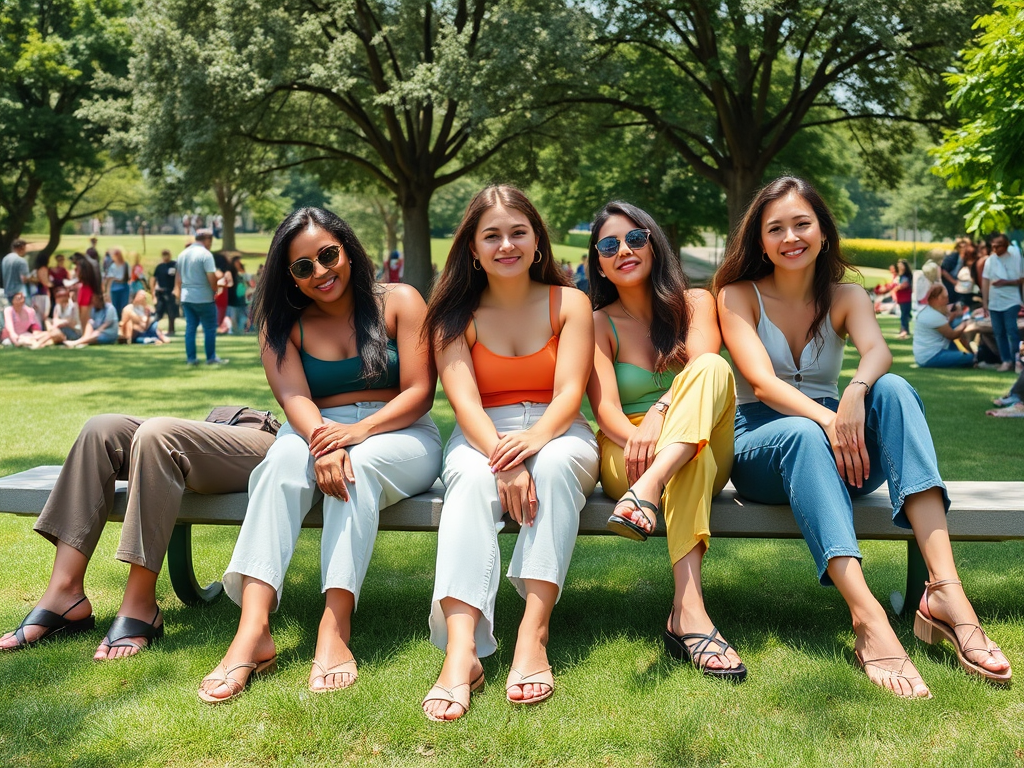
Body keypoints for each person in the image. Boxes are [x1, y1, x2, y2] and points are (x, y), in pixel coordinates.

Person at [714, 175, 1011, 698]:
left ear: (823, 232)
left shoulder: (846, 295)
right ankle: (867, 615)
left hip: (842, 449)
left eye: (802, 223)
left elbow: (877, 352)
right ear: (759, 240)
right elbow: (759, 381)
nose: (790, 237)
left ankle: (945, 590)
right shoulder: (737, 295)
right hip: (763, 441)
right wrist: (829, 421)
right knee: (804, 433)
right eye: (775, 228)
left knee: (893, 390)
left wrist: (853, 392)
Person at [198, 207, 442, 703]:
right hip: (313, 427)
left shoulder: (399, 300)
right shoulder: (282, 322)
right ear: (289, 276)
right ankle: (253, 629)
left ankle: (335, 625)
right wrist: (321, 439)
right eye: (303, 267)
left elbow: (420, 390)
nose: (320, 272)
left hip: (400, 430)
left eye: (328, 255)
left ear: (348, 251)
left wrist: (355, 434)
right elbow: (293, 398)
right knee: (280, 465)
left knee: (360, 468)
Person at [420, 185, 599, 721]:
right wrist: (506, 456)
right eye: (491, 235)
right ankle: (460, 652)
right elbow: (465, 402)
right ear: (472, 249)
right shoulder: (453, 313)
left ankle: (532, 633)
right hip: (482, 433)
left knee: (559, 466)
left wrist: (534, 444)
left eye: (518, 232)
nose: (506, 244)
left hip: (557, 429)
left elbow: (570, 392)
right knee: (473, 481)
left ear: (537, 241)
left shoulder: (572, 303)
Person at [584, 202, 744, 681]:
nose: (624, 251)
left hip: (678, 450)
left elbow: (702, 370)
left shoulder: (695, 302)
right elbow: (605, 409)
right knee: (686, 457)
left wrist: (659, 414)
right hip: (625, 451)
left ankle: (652, 488)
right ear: (598, 261)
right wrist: (642, 437)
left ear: (653, 241)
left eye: (635, 238)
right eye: (609, 246)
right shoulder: (597, 323)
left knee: (713, 368)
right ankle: (689, 614)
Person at [0, 414, 278, 657]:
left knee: (158, 435)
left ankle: (141, 605)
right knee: (100, 429)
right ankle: (64, 594)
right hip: (224, 425)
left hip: (283, 439)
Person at [174, 229, 227, 366]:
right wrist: (215, 289)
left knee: (190, 328)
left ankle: (191, 359)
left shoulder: (182, 254)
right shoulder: (206, 254)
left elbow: (178, 279)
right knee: (209, 328)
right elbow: (211, 277)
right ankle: (211, 357)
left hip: (186, 297)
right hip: (203, 296)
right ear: (207, 240)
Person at [981, 233, 1023, 372]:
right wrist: (985, 302)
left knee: (1011, 330)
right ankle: (1006, 360)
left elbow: (1021, 279)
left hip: (1011, 300)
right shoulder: (990, 260)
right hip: (994, 302)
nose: (994, 249)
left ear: (1005, 246)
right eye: (992, 246)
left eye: (997, 246)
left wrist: (1006, 282)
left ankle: (1016, 360)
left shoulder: (1016, 258)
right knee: (999, 332)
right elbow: (985, 281)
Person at [913, 284, 974, 368]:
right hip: (931, 356)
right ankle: (973, 358)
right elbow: (952, 335)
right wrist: (965, 322)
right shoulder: (934, 316)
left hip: (925, 354)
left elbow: (944, 324)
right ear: (936, 299)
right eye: (944, 297)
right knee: (969, 358)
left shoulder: (928, 311)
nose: (947, 300)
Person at [71, 252, 103, 333]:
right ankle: (84, 333)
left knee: (84, 314)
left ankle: (84, 333)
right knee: (85, 313)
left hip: (85, 290)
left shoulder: (83, 265)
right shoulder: (92, 264)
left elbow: (82, 276)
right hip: (88, 289)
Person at [151, 249, 179, 334]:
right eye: (164, 255)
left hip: (171, 291)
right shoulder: (160, 267)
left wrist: (177, 290)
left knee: (171, 312)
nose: (165, 257)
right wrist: (153, 291)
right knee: (159, 312)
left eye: (167, 254)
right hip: (161, 292)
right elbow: (154, 279)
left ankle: (171, 329)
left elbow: (178, 278)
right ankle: (153, 329)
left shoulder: (175, 265)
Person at [226, 255, 252, 334]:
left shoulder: (242, 272)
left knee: (243, 316)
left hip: (242, 298)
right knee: (234, 316)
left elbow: (247, 283)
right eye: (237, 261)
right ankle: (234, 330)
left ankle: (241, 330)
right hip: (233, 299)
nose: (239, 263)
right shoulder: (230, 273)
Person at [103, 247, 131, 319]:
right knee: (115, 306)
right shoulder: (112, 266)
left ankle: (123, 319)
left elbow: (129, 276)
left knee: (124, 305)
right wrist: (106, 290)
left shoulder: (125, 265)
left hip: (124, 286)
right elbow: (109, 278)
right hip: (115, 287)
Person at [892, 259, 913, 339]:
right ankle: (904, 330)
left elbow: (905, 284)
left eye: (901, 265)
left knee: (904, 315)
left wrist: (896, 288)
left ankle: (904, 330)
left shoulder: (906, 276)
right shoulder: (899, 276)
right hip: (901, 298)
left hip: (906, 298)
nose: (899, 266)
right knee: (904, 315)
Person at [31, 253, 52, 322]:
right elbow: (45, 282)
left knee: (37, 317)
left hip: (35, 295)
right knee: (44, 316)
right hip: (43, 295)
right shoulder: (43, 269)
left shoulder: (35, 270)